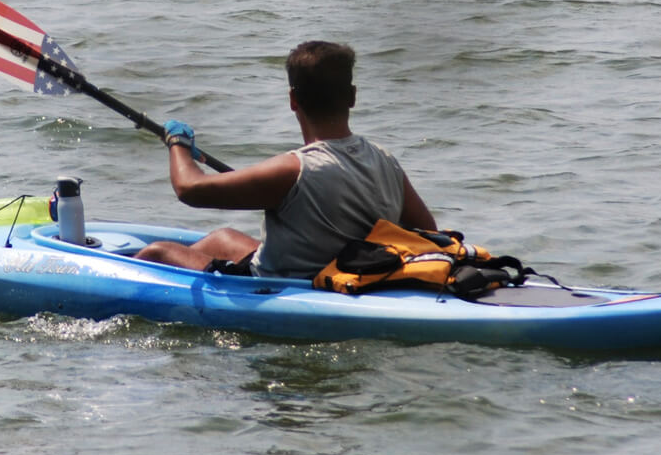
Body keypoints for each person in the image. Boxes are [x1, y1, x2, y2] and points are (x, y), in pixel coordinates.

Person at [135, 41, 436, 278]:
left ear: (293, 100)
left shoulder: (293, 170)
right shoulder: (385, 160)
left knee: (158, 252)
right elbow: (431, 235)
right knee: (223, 239)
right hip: (355, 276)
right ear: (352, 96)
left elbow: (189, 188)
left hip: (286, 285)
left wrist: (178, 144)